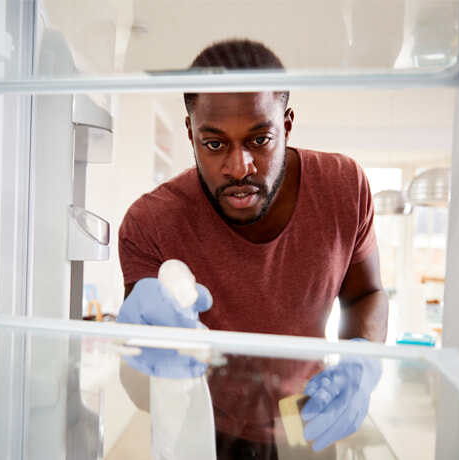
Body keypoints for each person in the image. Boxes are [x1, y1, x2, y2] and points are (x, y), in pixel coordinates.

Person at [116, 39, 388, 458]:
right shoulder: (150, 222)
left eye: (260, 139)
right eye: (214, 144)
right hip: (207, 423)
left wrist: (363, 363)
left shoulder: (344, 187)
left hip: (307, 416)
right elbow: (142, 377)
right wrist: (134, 351)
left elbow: (367, 294)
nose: (239, 166)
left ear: (288, 124)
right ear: (190, 133)